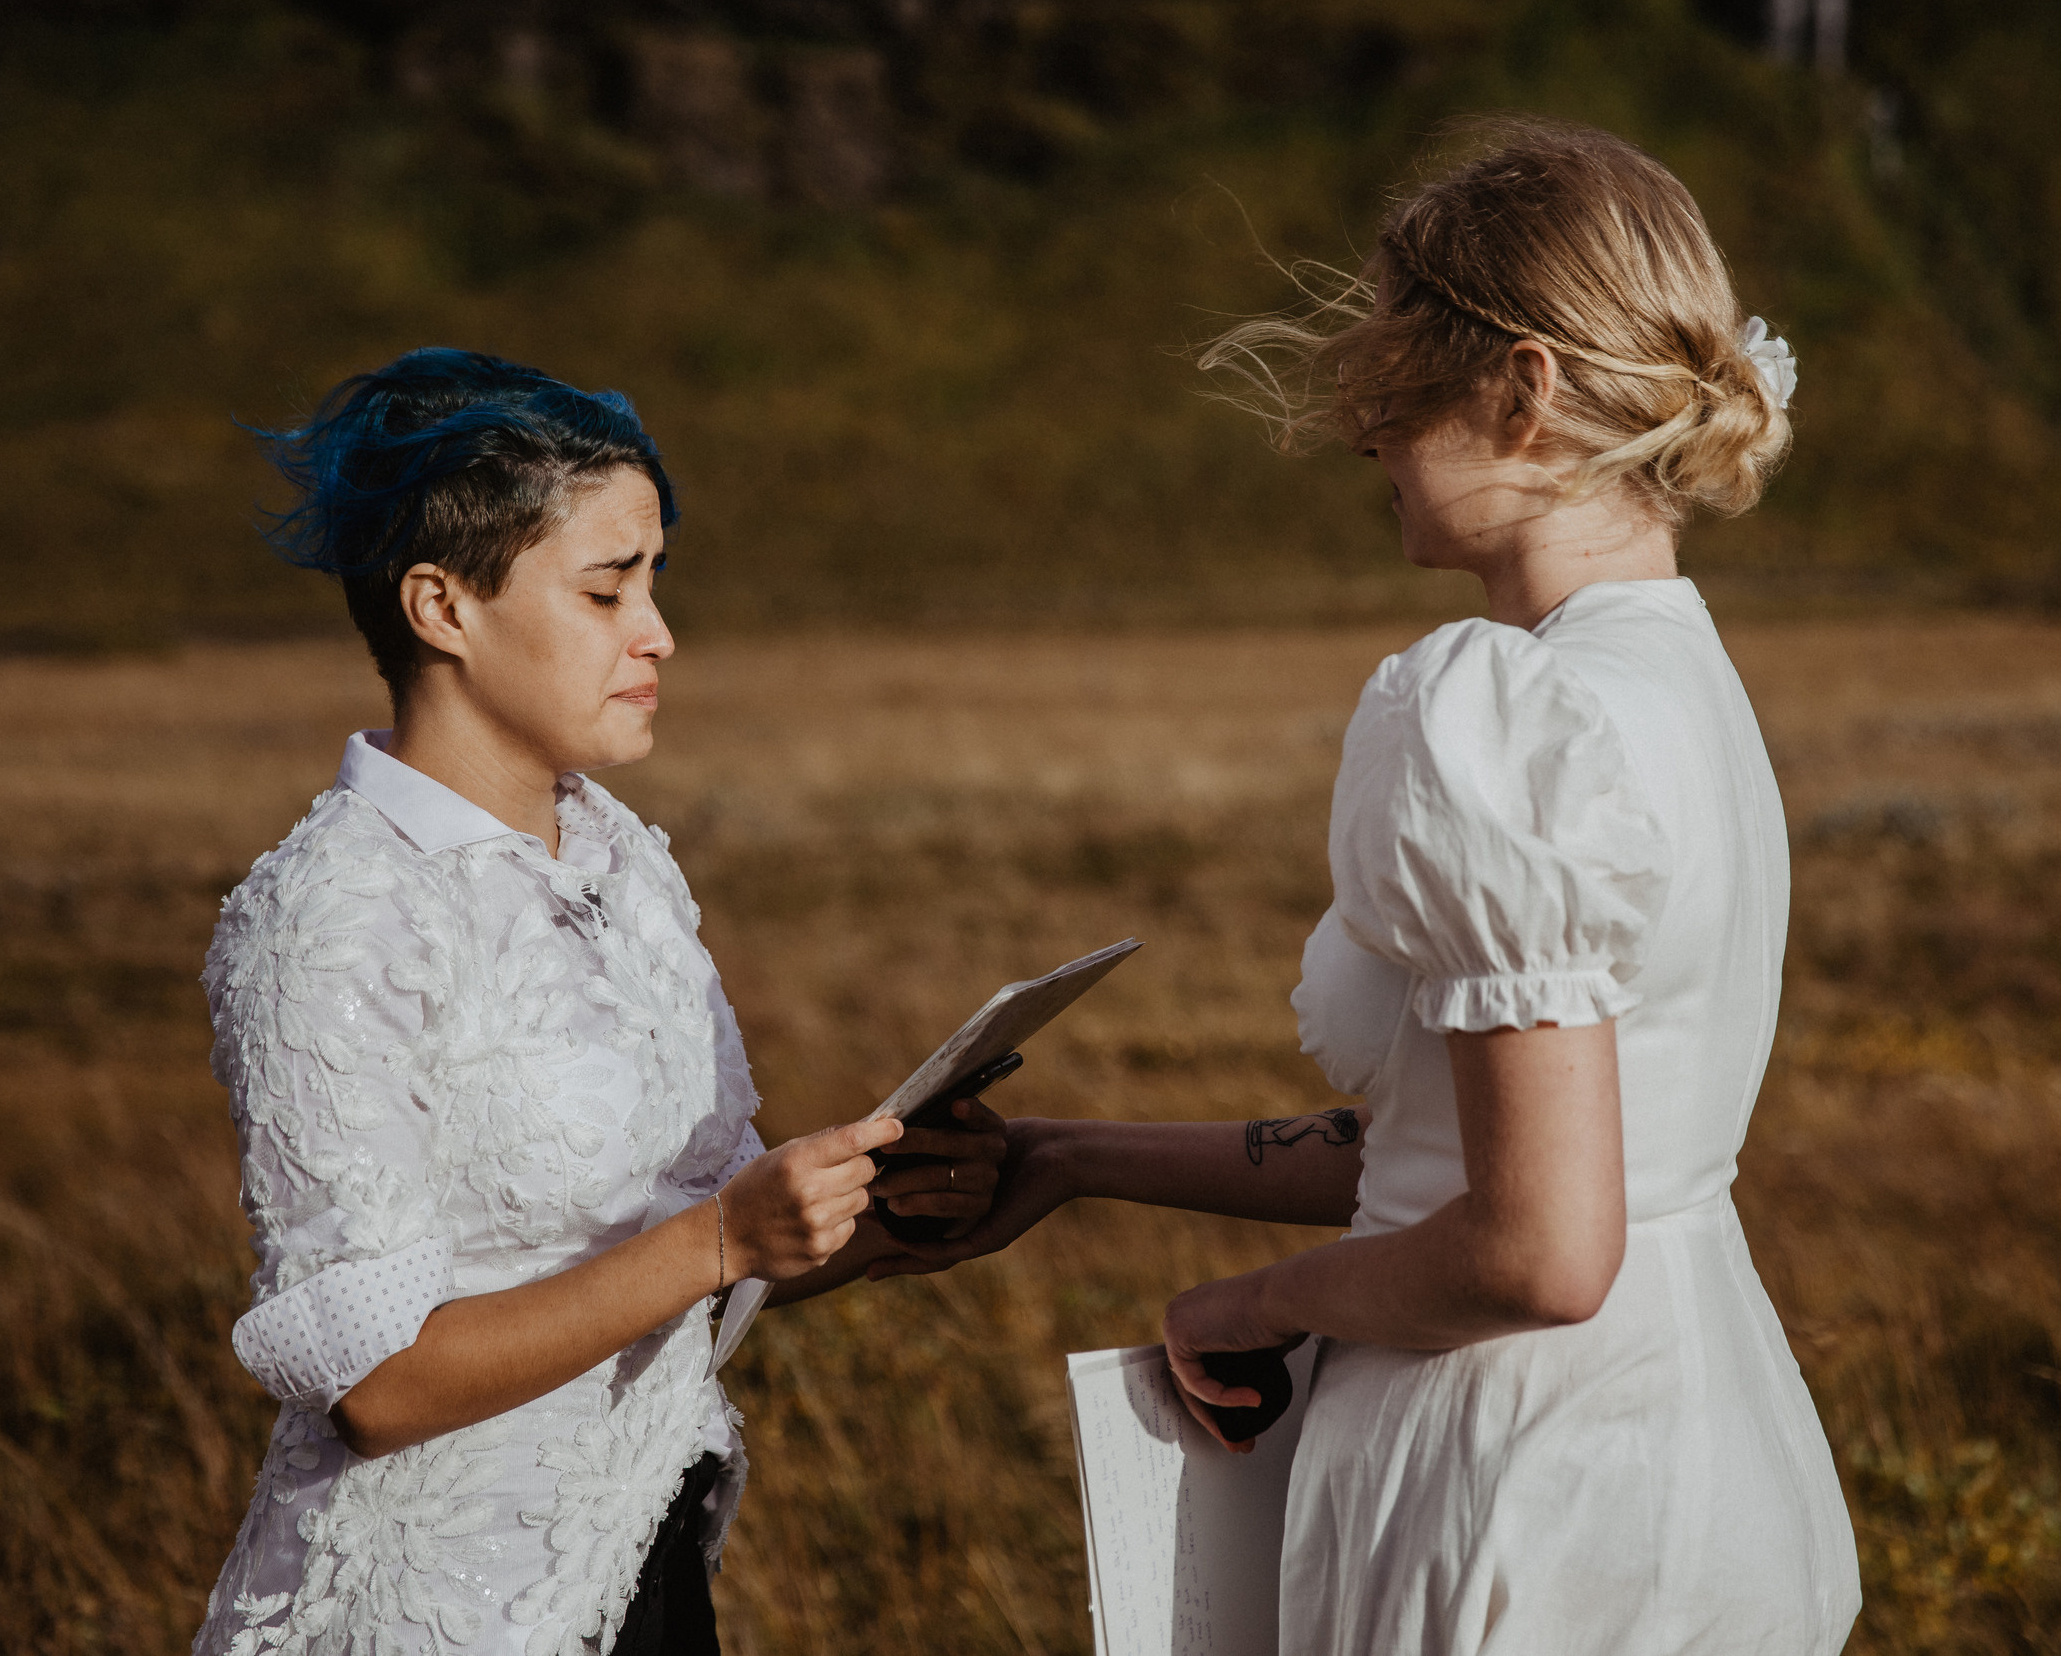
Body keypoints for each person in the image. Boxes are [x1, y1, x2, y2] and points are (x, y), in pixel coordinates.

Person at [878, 121, 1862, 1652]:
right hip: (1703, 1442)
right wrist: (1068, 1154)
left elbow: (1536, 1251)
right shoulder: (1682, 684)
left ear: (1522, 390)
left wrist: (1250, 1307)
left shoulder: (1509, 721)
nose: (1363, 431)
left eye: (1396, 375)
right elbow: (1445, 1151)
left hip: (1522, 1487)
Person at [191, 349, 1006, 1656]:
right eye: (605, 588)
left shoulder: (623, 858)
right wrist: (723, 1243)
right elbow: (377, 1387)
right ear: (440, 608)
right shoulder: (329, 920)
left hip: (648, 1574)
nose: (658, 632)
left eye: (655, 581)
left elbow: (698, 1234)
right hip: (437, 1618)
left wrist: (888, 1211)